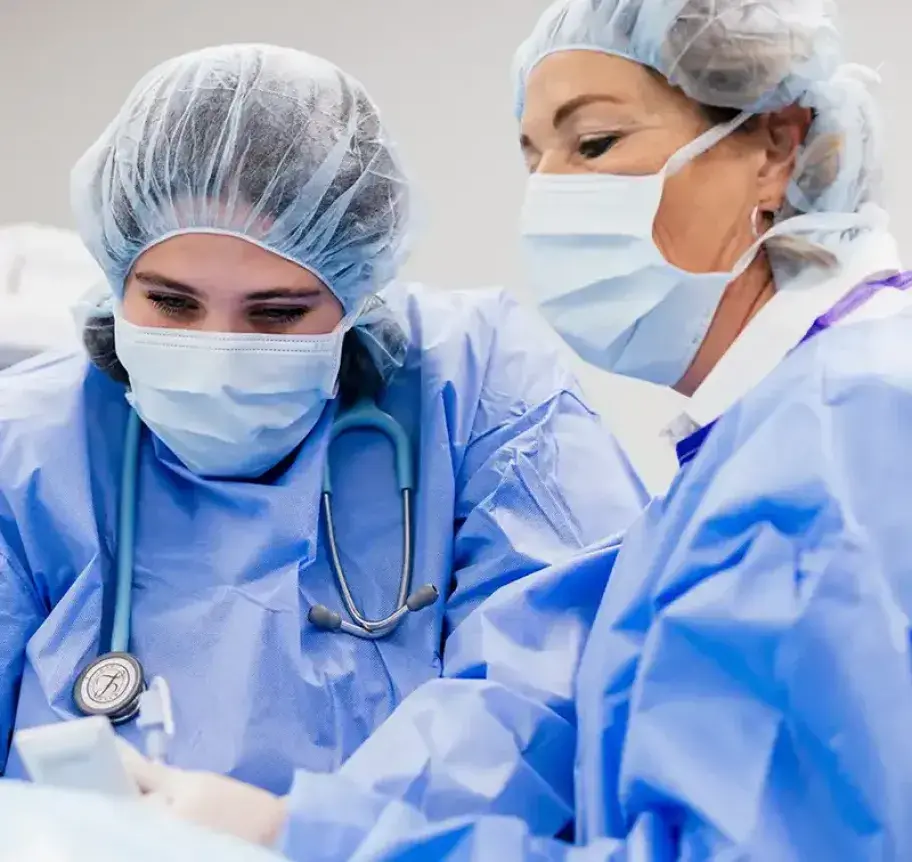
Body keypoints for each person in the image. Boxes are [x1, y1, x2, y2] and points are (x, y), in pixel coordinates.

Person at [196, 0, 912, 858]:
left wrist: (309, 839)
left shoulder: (845, 430)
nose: (550, 196)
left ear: (776, 146)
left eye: (595, 143)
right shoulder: (767, 433)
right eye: (534, 157)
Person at [0, 43, 650, 853]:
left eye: (277, 314)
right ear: (114, 270)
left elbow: (544, 697)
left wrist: (303, 835)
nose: (219, 350)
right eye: (171, 303)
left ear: (355, 289)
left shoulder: (481, 386)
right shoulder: (27, 442)